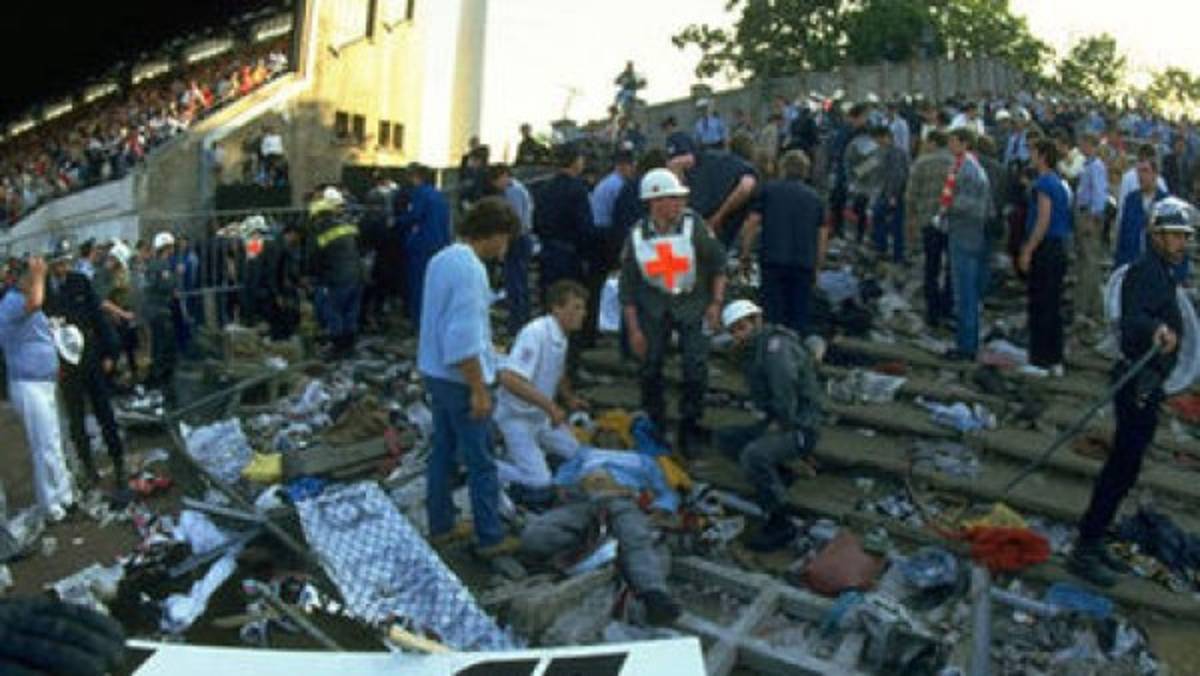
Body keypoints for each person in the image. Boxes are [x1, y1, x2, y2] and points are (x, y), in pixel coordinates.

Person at [1070, 198, 1194, 587]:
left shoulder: (1162, 271)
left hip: (1150, 384)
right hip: (1137, 384)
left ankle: (1095, 536)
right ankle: (1085, 546)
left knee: (1127, 467)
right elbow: (1133, 319)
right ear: (1156, 236)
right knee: (1121, 467)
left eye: (1183, 237)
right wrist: (1153, 330)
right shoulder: (1145, 271)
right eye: (1173, 236)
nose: (1180, 243)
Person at [419, 196, 522, 558]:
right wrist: (478, 387)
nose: (505, 247)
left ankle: (441, 525)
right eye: (506, 238)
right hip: (460, 379)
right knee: (481, 461)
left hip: (435, 372)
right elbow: (461, 338)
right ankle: (490, 536)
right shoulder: (471, 270)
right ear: (494, 234)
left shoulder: (442, 258)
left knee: (442, 452)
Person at [619, 168, 726, 457]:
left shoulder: (696, 227)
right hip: (654, 309)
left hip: (693, 306)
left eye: (681, 198)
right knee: (649, 367)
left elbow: (718, 266)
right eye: (672, 199)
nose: (679, 204)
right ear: (655, 203)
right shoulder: (637, 236)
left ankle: (689, 425)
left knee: (695, 367)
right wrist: (634, 330)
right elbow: (627, 288)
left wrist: (715, 304)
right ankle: (656, 423)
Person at [715, 300, 824, 551]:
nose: (737, 335)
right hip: (778, 419)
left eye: (741, 327)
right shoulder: (756, 348)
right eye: (733, 330)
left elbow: (785, 395)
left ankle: (780, 520)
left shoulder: (776, 348)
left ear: (756, 321)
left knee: (753, 455)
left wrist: (780, 424)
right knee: (725, 438)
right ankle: (779, 476)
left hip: (800, 426)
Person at [43, 239, 127, 498]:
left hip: (90, 357)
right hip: (65, 366)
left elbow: (98, 317)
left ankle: (118, 463)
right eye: (58, 263)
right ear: (50, 264)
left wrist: (111, 351)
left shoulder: (80, 281)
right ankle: (89, 468)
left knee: (105, 412)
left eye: (65, 262)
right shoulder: (44, 292)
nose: (63, 268)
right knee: (76, 420)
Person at [493, 280, 589, 507]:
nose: (582, 314)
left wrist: (569, 398)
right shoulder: (535, 333)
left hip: (540, 418)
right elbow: (509, 378)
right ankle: (482, 466)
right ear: (557, 308)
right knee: (539, 482)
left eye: (582, 308)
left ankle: (533, 458)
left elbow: (558, 371)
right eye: (576, 307)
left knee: (577, 454)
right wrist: (551, 407)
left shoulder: (561, 337)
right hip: (517, 417)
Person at [0, 256, 74, 521]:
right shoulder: (11, 303)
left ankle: (64, 494)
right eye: (27, 277)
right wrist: (40, 274)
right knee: (42, 444)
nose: (32, 281)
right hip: (28, 384)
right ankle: (50, 503)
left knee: (53, 439)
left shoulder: (21, 301)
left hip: (42, 380)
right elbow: (35, 302)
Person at [739, 150, 827, 334]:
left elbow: (752, 223)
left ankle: (772, 353)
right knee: (798, 317)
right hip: (803, 263)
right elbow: (822, 235)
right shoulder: (816, 198)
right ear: (806, 172)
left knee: (772, 315)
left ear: (782, 168)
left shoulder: (768, 190)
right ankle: (794, 355)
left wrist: (745, 254)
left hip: (772, 260)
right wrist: (818, 266)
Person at [1018, 139, 1073, 377]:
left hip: (1046, 247)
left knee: (1039, 303)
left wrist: (1028, 249)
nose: (1030, 156)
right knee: (1053, 304)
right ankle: (1055, 358)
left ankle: (1039, 359)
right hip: (1058, 247)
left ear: (1042, 156)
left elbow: (1043, 219)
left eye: (1033, 152)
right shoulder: (1060, 183)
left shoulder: (1044, 184)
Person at [944, 128, 992, 361]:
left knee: (965, 291)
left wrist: (948, 205)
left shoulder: (969, 169)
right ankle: (964, 340)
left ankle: (966, 345)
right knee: (963, 290)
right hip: (964, 231)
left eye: (953, 141)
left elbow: (970, 204)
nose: (949, 146)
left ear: (964, 144)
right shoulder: (964, 166)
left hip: (965, 232)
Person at [666, 131, 758, 248]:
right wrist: (718, 218)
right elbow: (746, 187)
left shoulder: (707, 157)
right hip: (718, 231)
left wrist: (682, 200)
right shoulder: (746, 168)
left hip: (691, 225)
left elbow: (674, 163)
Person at [906, 130, 955, 328]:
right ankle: (947, 306)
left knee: (931, 266)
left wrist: (910, 221)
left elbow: (911, 195)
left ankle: (932, 311)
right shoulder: (957, 163)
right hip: (952, 221)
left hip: (928, 220)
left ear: (933, 143)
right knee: (951, 267)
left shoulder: (922, 163)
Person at [534, 144, 594, 299]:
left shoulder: (544, 188)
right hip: (570, 256)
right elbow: (584, 227)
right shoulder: (578, 190)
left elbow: (536, 221)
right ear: (574, 162)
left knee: (550, 299)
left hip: (547, 252)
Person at [310, 186, 364, 358]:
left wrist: (315, 278)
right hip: (356, 276)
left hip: (337, 279)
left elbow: (315, 260)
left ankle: (338, 348)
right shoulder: (347, 227)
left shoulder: (321, 233)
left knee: (334, 312)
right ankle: (350, 347)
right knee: (351, 312)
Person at [484, 164, 534, 337]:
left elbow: (514, 221)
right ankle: (522, 321)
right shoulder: (517, 188)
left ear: (504, 176)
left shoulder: (512, 192)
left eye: (496, 180)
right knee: (519, 283)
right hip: (522, 238)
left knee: (515, 284)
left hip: (517, 240)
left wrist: (504, 245)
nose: (496, 185)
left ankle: (517, 324)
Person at [398, 165, 451, 326]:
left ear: (417, 177)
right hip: (439, 244)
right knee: (434, 284)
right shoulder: (439, 195)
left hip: (422, 244)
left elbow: (414, 215)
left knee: (417, 283)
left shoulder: (420, 194)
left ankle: (417, 320)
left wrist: (396, 221)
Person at [1074, 133, 1109, 323]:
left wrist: (1092, 219)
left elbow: (1099, 193)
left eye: (1083, 143)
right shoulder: (1087, 165)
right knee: (1087, 260)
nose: (1081, 146)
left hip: (1089, 215)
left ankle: (1084, 305)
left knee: (1089, 262)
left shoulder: (1096, 167)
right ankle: (1097, 306)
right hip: (1082, 211)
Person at [1115, 159, 1168, 269]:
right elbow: (1123, 235)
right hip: (1131, 264)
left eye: (1145, 171)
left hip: (1156, 267)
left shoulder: (1165, 203)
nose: (1140, 176)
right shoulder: (1131, 200)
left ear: (1155, 174)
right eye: (1138, 172)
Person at [144, 232, 179, 401]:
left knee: (158, 345)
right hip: (160, 310)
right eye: (171, 247)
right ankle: (162, 381)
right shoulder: (162, 265)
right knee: (164, 346)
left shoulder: (153, 264)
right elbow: (165, 285)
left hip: (154, 311)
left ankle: (157, 378)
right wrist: (176, 276)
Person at [871, 125, 909, 263]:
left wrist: (892, 195)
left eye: (878, 139)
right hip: (888, 193)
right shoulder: (885, 151)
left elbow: (897, 176)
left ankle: (889, 251)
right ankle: (892, 252)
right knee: (892, 223)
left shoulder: (894, 153)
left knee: (888, 222)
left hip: (893, 194)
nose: (877, 142)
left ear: (886, 137)